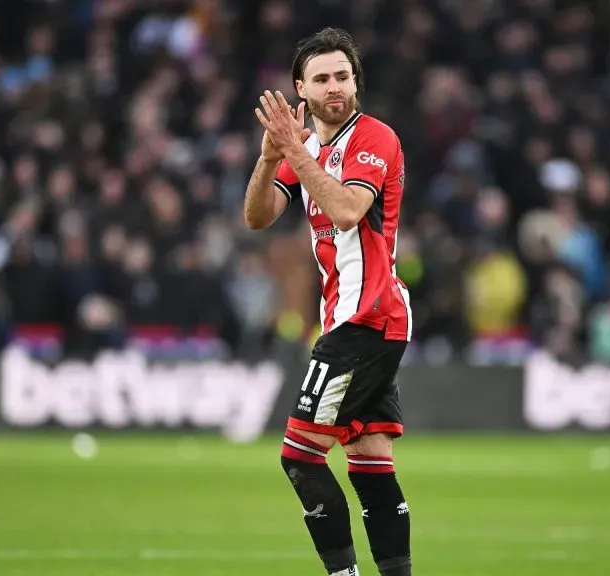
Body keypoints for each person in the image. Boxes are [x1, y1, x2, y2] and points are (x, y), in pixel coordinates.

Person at [244, 27, 413, 576]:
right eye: (322, 79)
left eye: (343, 76)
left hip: (369, 316)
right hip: (352, 317)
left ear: (356, 82)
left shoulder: (375, 138)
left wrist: (294, 150)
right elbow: (257, 217)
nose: (334, 87)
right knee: (369, 460)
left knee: (300, 456)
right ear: (302, 89)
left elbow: (345, 211)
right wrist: (269, 158)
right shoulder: (307, 149)